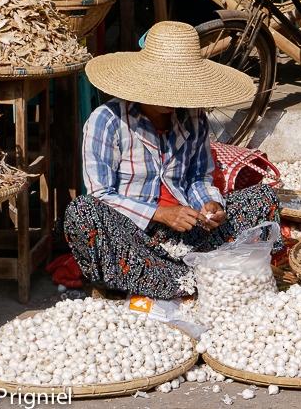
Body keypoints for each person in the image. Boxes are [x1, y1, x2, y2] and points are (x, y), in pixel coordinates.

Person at [64, 21, 282, 300]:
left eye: (178, 87)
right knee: (81, 211)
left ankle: (184, 274)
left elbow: (198, 176)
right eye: (164, 86)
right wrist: (160, 213)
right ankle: (194, 276)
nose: (172, 97)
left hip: (188, 233)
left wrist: (209, 203)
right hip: (135, 238)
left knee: (263, 198)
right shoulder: (107, 121)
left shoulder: (193, 117)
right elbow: (100, 195)